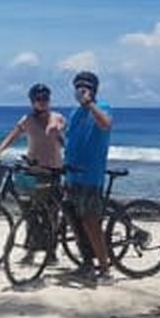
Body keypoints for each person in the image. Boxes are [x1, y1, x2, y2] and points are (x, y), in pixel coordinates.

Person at [0, 83, 66, 263]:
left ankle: (51, 252)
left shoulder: (57, 118)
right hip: (32, 170)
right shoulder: (27, 120)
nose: (42, 102)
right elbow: (13, 136)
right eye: (38, 99)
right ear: (32, 102)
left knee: (51, 212)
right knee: (30, 211)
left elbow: (63, 142)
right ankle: (31, 250)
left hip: (53, 169)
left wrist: (57, 133)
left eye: (45, 98)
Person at [64, 70, 113, 284]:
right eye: (77, 88)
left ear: (93, 90)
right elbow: (70, 140)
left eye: (84, 88)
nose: (80, 91)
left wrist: (90, 104)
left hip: (90, 177)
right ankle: (87, 264)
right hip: (72, 175)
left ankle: (105, 270)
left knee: (91, 223)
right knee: (76, 223)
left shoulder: (102, 107)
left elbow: (106, 124)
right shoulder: (74, 113)